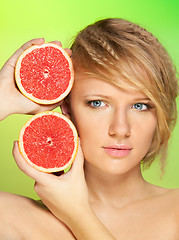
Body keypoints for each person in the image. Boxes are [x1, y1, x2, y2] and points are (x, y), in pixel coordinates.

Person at [0, 18, 179, 239]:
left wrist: (78, 215)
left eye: (140, 106)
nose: (120, 129)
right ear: (67, 106)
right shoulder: (12, 218)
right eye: (97, 103)